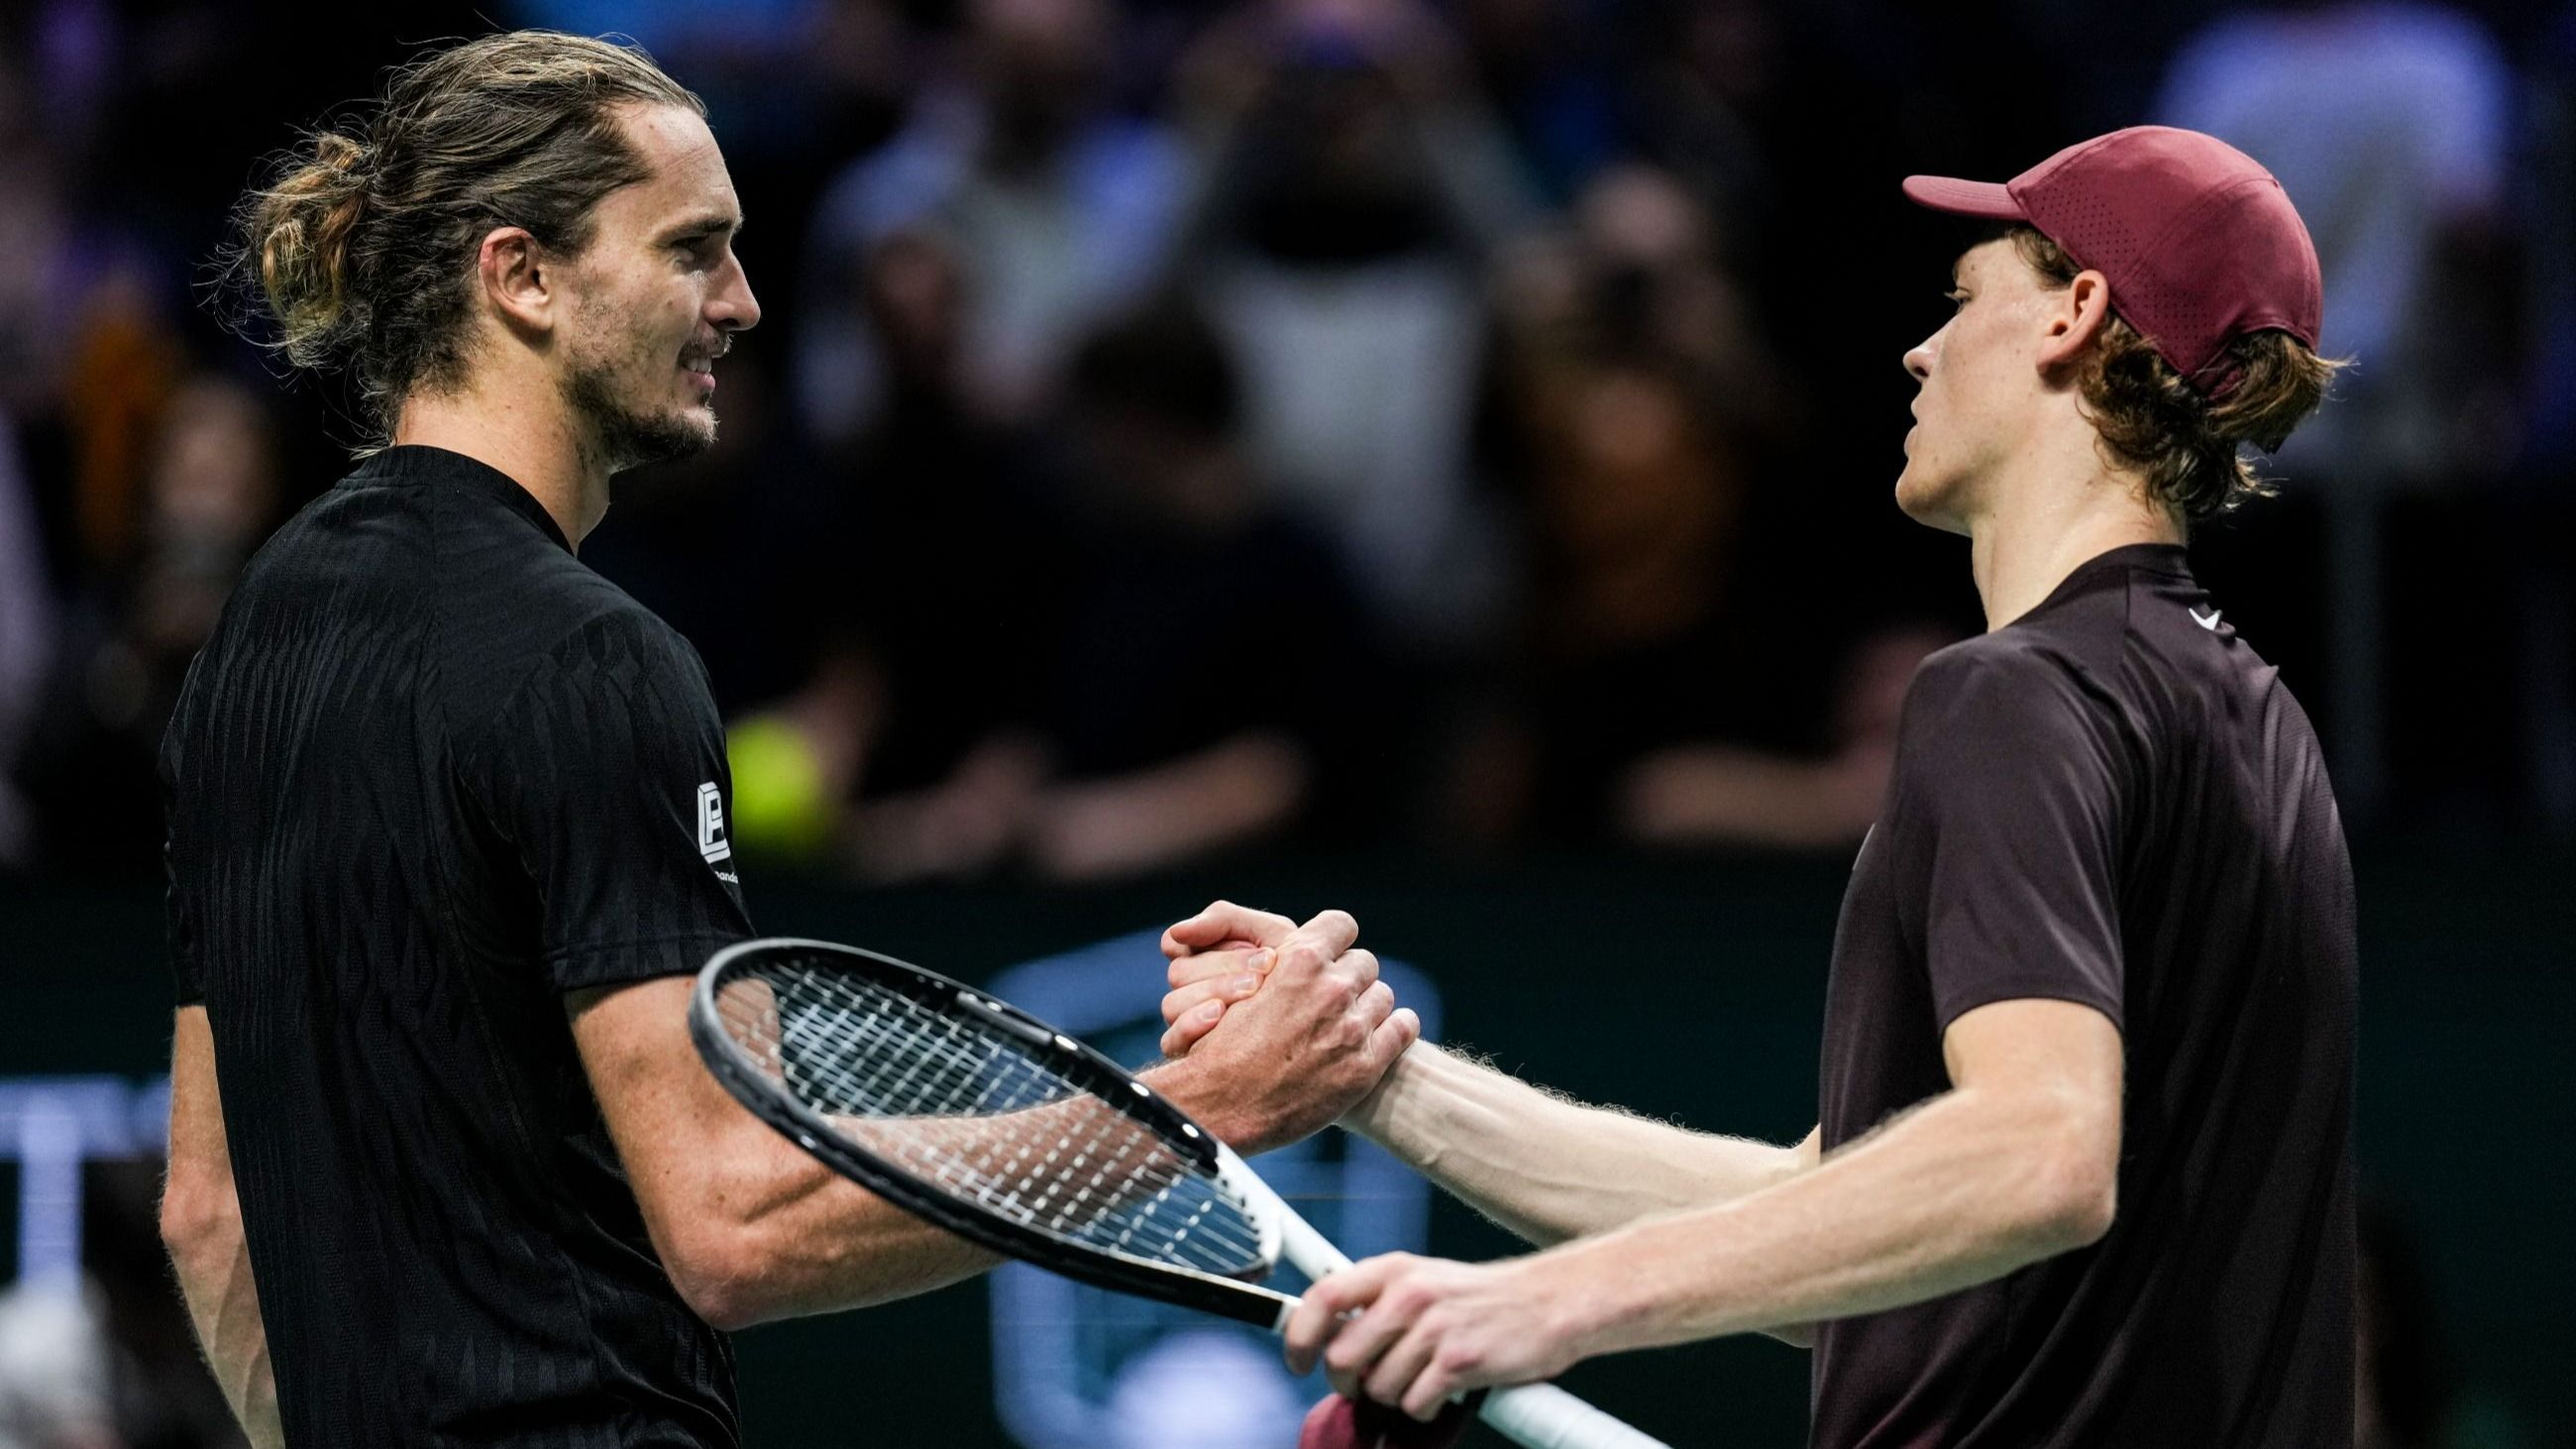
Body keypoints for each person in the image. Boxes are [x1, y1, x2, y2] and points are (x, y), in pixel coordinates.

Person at [154, 32, 1416, 1448]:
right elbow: (736, 1218)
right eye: (694, 249)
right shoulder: (595, 659)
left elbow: (209, 1217)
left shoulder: (250, 648)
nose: (743, 304)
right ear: (522, 277)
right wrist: (1196, 1109)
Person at [1163, 126, 2357, 1445]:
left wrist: (1546, 1302)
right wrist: (1376, 1077)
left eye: (1963, 301)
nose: (1921, 350)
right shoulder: (2258, 720)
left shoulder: (2015, 694)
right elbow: (1846, 1204)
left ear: (2075, 315)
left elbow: (2037, 1154)